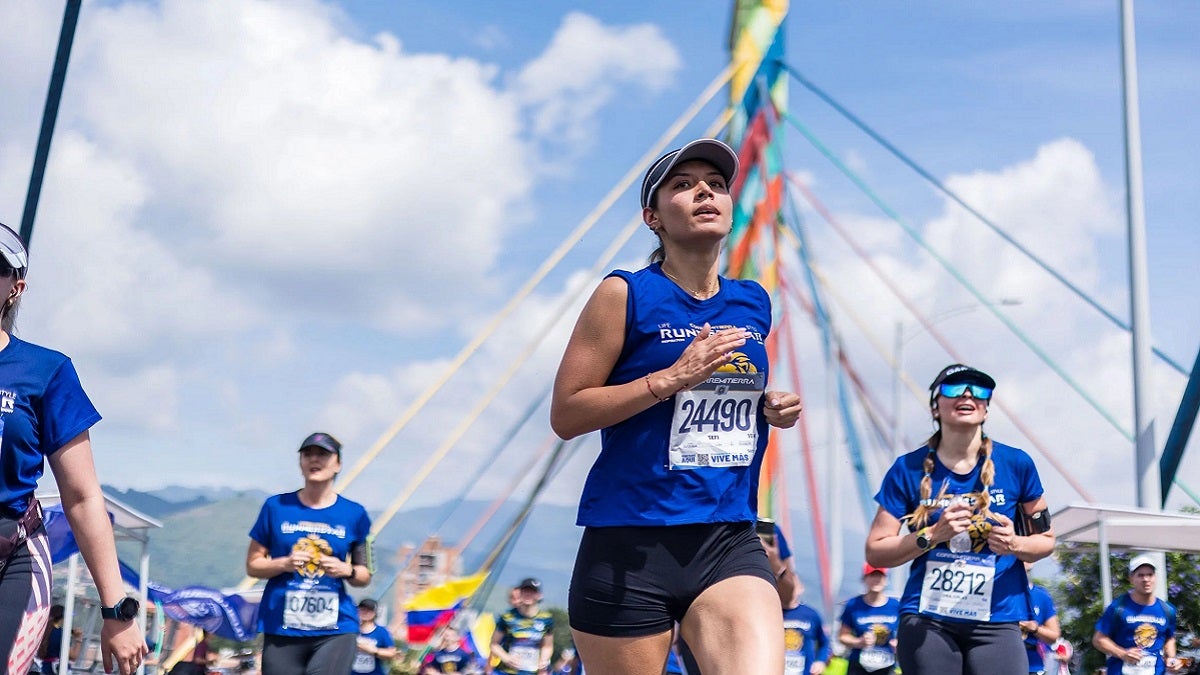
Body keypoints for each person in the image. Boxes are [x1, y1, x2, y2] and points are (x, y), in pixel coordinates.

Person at [550, 138, 803, 675]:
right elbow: (567, 413)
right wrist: (670, 378)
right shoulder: (624, 294)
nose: (704, 192)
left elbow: (724, 397)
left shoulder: (753, 300)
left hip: (726, 536)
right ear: (653, 217)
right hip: (629, 542)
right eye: (683, 185)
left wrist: (767, 407)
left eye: (715, 185)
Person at [0, 222, 146, 675]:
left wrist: (116, 612)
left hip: (12, 556)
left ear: (14, 287)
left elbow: (82, 498)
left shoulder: (46, 370)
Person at [864, 364, 1055, 675]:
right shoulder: (906, 469)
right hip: (928, 618)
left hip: (998, 616)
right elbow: (875, 550)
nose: (967, 395)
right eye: (954, 388)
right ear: (935, 406)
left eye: (978, 390)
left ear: (987, 409)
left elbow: (1046, 542)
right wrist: (931, 534)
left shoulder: (1017, 464)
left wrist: (1015, 544)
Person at [245, 432, 372, 675]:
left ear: (338, 464)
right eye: (307, 454)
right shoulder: (276, 507)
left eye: (323, 454)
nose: (314, 459)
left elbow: (364, 574)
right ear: (300, 462)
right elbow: (253, 565)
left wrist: (347, 570)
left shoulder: (354, 514)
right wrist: (284, 563)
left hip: (335, 628)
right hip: (282, 626)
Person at [1092, 554, 1181, 675]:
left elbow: (1169, 638)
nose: (1146, 579)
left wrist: (1172, 658)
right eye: (1141, 575)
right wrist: (1122, 653)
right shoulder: (1118, 607)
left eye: (1150, 575)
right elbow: (1098, 639)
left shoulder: (1167, 610)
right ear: (1131, 578)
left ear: (1155, 577)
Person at [838, 564, 899, 675]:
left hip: (886, 665)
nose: (876, 580)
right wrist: (859, 642)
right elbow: (842, 636)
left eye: (880, 576)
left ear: (885, 580)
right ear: (864, 579)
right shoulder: (853, 604)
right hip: (859, 665)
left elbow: (905, 633)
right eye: (872, 576)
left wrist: (899, 644)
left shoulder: (895, 606)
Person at [488, 577, 554, 675]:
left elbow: (547, 646)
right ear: (520, 593)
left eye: (532, 592)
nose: (528, 594)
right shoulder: (507, 617)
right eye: (525, 591)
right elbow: (494, 644)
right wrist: (506, 658)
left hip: (531, 671)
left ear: (539, 595)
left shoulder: (546, 619)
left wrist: (544, 661)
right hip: (506, 671)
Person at [783, 575, 830, 675]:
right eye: (785, 586)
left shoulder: (811, 615)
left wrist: (820, 661)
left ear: (800, 588)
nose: (789, 589)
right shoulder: (772, 613)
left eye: (793, 586)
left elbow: (825, 643)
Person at [1021, 562, 1061, 675]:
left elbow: (1054, 635)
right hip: (1002, 660)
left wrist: (1035, 628)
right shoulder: (999, 593)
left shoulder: (1042, 596)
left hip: (1032, 665)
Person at [354, 599, 397, 675]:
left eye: (369, 610)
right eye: (362, 609)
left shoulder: (381, 631)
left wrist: (374, 651)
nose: (365, 612)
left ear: (375, 613)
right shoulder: (351, 630)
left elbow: (392, 653)